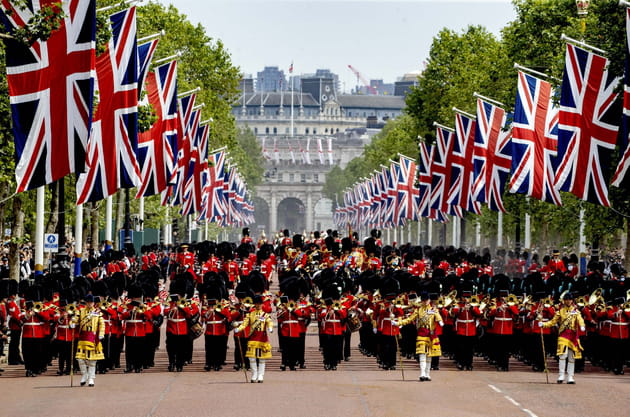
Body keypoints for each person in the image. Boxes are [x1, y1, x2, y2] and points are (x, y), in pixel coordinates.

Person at [540, 292, 585, 384]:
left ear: (572, 301)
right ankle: (561, 375)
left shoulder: (576, 312)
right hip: (563, 335)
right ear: (564, 301)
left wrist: (582, 326)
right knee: (562, 355)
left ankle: (570, 376)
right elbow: (552, 322)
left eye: (569, 300)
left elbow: (580, 319)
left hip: (573, 336)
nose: (568, 301)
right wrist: (544, 325)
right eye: (566, 300)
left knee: (571, 357)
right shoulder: (560, 311)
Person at [398, 293, 444, 382]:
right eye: (423, 300)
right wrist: (398, 323)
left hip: (431, 334)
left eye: (426, 300)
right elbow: (409, 319)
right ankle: (422, 373)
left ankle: (427, 374)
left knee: (429, 355)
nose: (425, 301)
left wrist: (440, 320)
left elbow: (439, 318)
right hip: (422, 333)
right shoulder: (418, 310)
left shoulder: (434, 310)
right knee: (422, 353)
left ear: (429, 300)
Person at [235, 295, 273, 383]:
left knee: (261, 358)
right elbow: (245, 324)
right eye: (257, 304)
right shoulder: (250, 314)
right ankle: (254, 374)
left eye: (260, 304)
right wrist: (239, 328)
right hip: (253, 337)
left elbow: (269, 322)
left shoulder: (265, 314)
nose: (258, 305)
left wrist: (270, 328)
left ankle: (260, 375)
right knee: (252, 358)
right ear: (254, 304)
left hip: (262, 338)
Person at [74, 295, 105, 387]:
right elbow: (76, 320)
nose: (89, 304)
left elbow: (101, 324)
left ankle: (91, 378)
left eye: (91, 302)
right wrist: (72, 323)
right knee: (80, 359)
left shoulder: (97, 312)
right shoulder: (80, 311)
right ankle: (84, 374)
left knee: (92, 360)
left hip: (93, 337)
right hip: (83, 336)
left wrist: (101, 334)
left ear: (93, 303)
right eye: (88, 302)